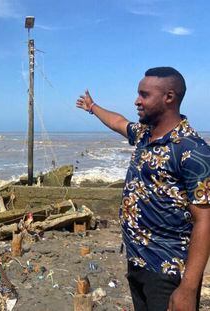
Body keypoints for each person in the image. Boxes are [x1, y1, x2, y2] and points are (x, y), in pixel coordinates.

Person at [76, 67, 210, 311]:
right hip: (137, 262)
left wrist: (188, 289)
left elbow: (205, 220)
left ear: (169, 97)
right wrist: (93, 107)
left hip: (168, 270)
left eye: (144, 95)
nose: (136, 101)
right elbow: (117, 122)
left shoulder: (192, 150)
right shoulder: (144, 134)